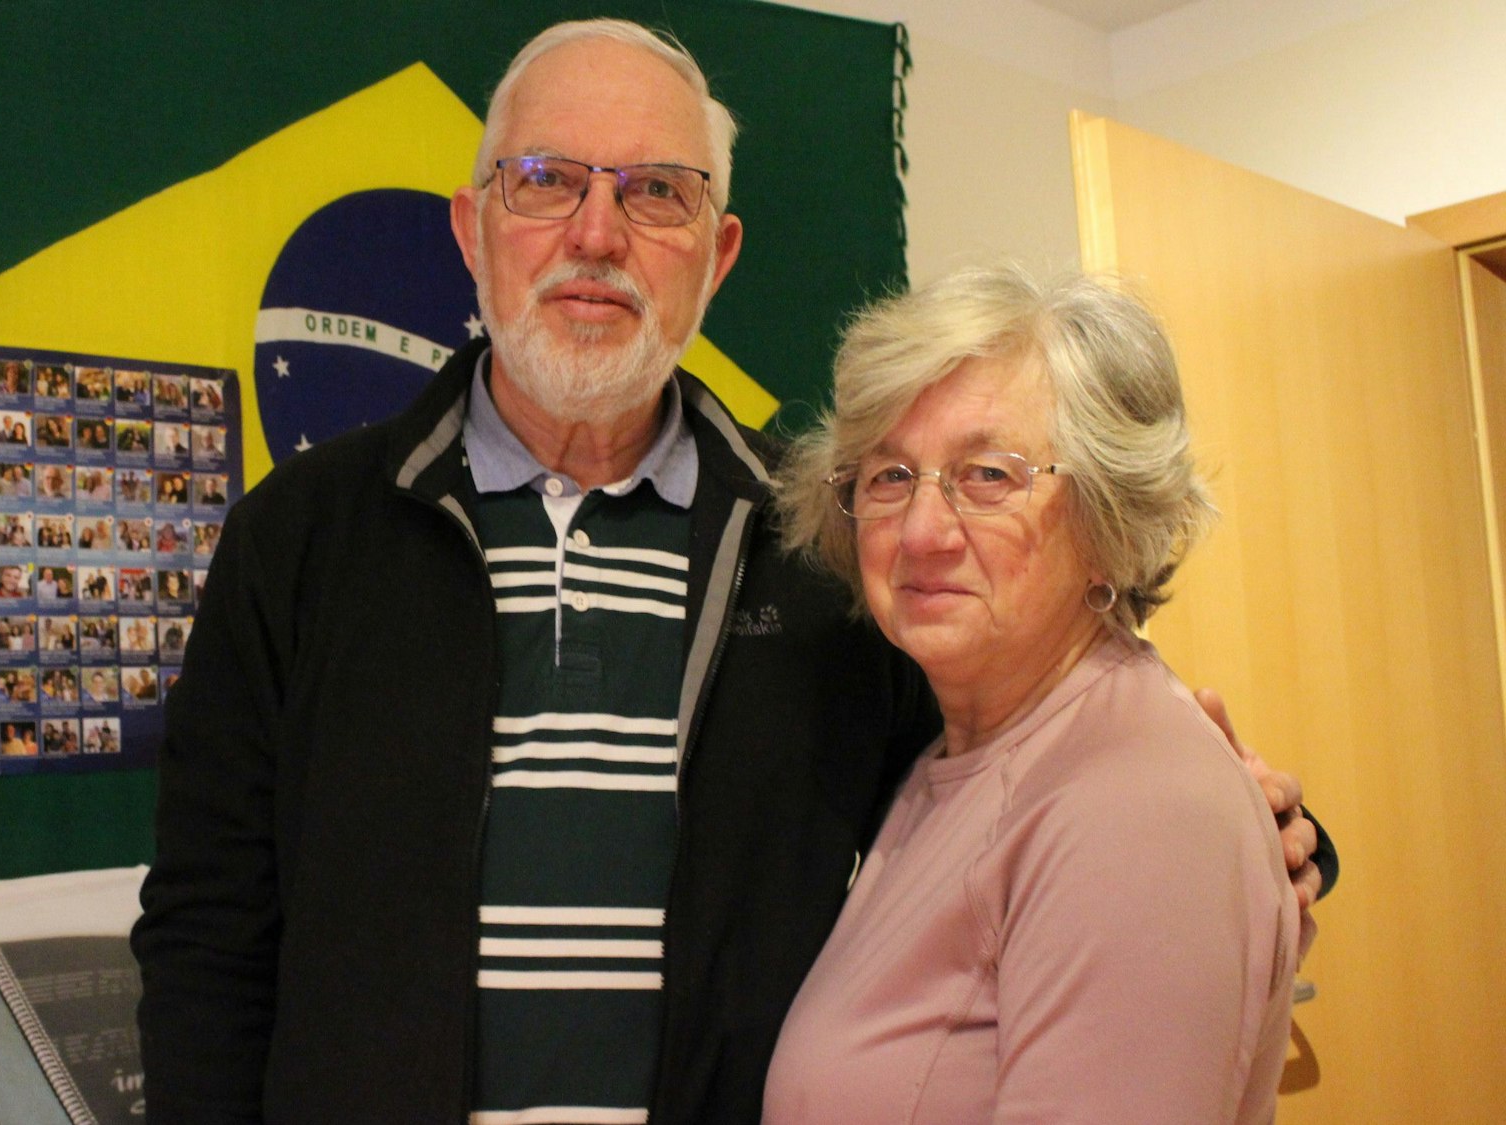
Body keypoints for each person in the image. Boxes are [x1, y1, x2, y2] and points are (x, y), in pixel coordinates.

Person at [131, 20, 1328, 1125]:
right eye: (545, 181)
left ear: (717, 252)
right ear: (471, 228)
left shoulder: (819, 543)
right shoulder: (300, 539)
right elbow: (206, 941)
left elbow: (1026, 758)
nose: (595, 236)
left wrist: (1270, 832)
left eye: (656, 192)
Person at [761, 265, 1297, 1122]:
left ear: (1106, 518)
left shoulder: (1140, 809)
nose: (924, 532)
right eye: (890, 476)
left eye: (988, 476)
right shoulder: (953, 760)